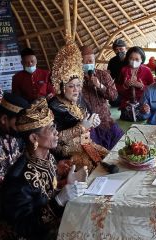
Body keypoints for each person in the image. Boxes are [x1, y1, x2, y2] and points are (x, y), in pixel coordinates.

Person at [1, 98, 88, 239]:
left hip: (54, 225)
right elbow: (24, 227)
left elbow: (46, 193)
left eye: (54, 126)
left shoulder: (48, 157)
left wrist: (66, 184)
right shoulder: (18, 180)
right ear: (34, 138)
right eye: (50, 128)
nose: (56, 132)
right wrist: (59, 201)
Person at [48, 38, 108, 172]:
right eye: (71, 86)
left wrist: (94, 121)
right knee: (91, 168)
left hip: (85, 142)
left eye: (78, 85)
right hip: (66, 150)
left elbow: (88, 116)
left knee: (109, 157)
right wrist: (80, 128)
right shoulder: (53, 106)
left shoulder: (79, 98)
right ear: (62, 87)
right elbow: (54, 138)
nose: (76, 90)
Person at [80, 46, 124, 150]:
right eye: (85, 61)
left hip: (106, 122)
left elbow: (114, 96)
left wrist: (100, 86)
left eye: (91, 60)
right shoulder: (76, 80)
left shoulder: (103, 75)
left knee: (121, 146)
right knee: (91, 154)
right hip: (87, 126)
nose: (89, 63)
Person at [0, 93, 29, 185]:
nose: (23, 127)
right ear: (4, 119)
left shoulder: (17, 131)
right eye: (19, 122)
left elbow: (26, 154)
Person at [116, 46, 154, 121]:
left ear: (142, 59)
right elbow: (117, 87)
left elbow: (153, 88)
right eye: (131, 58)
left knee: (143, 116)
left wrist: (142, 86)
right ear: (128, 59)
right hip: (127, 103)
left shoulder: (147, 70)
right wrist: (125, 86)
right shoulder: (124, 70)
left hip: (143, 102)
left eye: (137, 59)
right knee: (126, 117)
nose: (134, 61)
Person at [107, 39, 127, 107]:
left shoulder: (131, 59)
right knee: (113, 101)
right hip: (119, 89)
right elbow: (110, 77)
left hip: (131, 88)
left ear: (125, 48)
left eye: (121, 49)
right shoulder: (112, 61)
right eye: (116, 50)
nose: (119, 51)